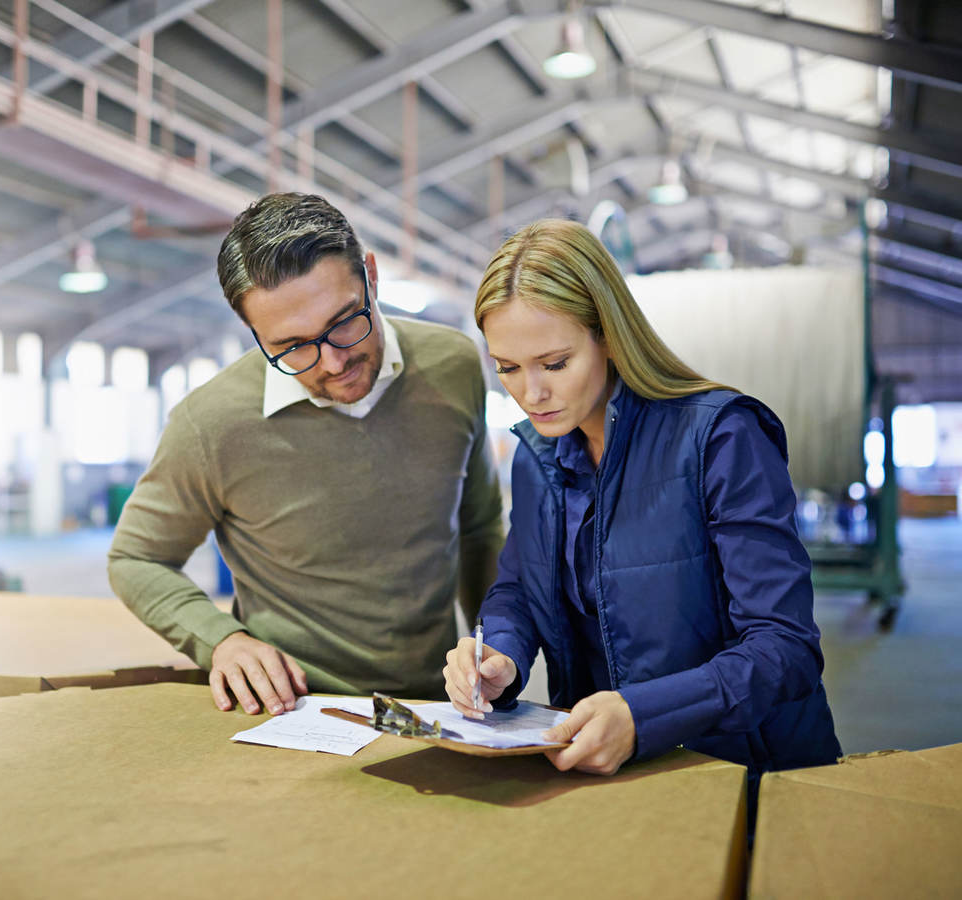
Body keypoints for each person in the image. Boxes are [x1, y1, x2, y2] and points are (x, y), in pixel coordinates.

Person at [443, 218, 840, 789]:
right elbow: (519, 591)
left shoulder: (722, 438)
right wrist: (497, 657)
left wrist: (643, 715)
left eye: (554, 363)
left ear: (609, 334)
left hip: (750, 773)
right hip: (609, 770)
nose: (532, 393)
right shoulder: (539, 454)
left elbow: (786, 649)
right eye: (507, 367)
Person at [110, 192, 504, 716]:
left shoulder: (452, 366)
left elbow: (480, 528)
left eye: (344, 321)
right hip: (294, 714)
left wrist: (496, 644)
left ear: (370, 274)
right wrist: (220, 640)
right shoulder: (211, 424)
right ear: (254, 333)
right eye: (292, 346)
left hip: (435, 705)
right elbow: (136, 557)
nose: (335, 361)